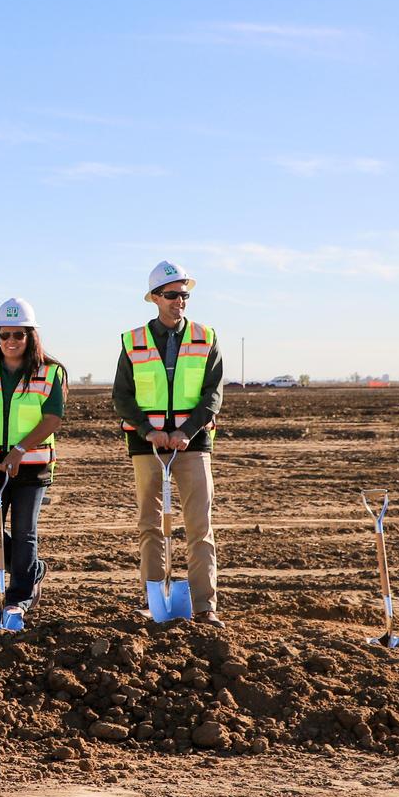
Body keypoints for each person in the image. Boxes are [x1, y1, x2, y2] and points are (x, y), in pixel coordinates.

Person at [113, 260, 225, 624]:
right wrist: (149, 431)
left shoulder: (206, 337)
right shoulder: (134, 342)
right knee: (150, 526)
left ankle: (204, 607)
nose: (180, 301)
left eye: (185, 295)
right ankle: (154, 600)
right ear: (156, 298)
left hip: (192, 445)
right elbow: (122, 397)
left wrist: (185, 432)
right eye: (173, 295)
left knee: (199, 525)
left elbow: (213, 395)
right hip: (147, 446)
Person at [0, 297, 66, 619]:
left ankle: (18, 598)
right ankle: (31, 569)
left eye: (18, 335)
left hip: (32, 467)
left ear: (30, 336)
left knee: (24, 532)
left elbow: (52, 419)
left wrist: (19, 451)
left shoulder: (50, 372)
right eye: (4, 335)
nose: (10, 341)